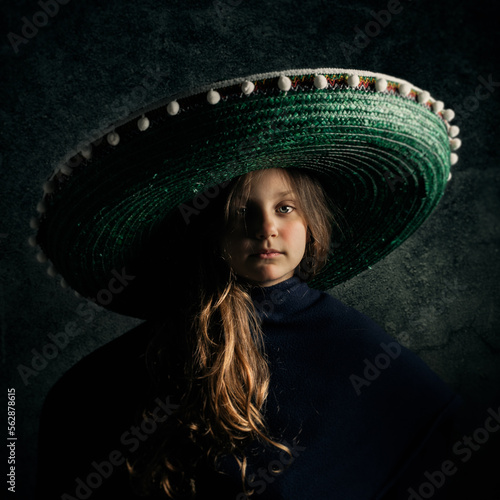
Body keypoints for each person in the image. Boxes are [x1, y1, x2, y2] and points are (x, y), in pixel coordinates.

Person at [34, 69, 463, 499]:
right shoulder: (152, 352)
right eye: (242, 211)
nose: (265, 228)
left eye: (286, 208)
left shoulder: (358, 348)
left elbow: (438, 445)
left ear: (312, 224)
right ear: (210, 230)